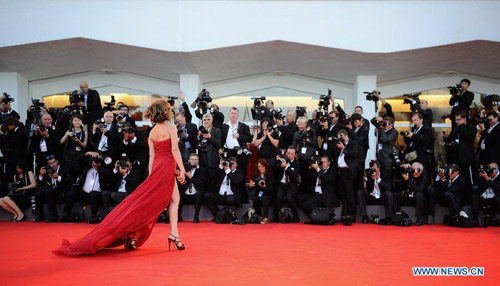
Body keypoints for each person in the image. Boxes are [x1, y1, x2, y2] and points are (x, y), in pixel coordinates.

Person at [54, 100, 186, 255]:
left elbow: (152, 156)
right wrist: (182, 170)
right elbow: (175, 150)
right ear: (165, 112)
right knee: (160, 202)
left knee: (172, 199)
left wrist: (151, 175)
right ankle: (163, 234)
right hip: (167, 165)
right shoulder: (171, 127)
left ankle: (172, 234)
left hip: (158, 167)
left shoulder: (152, 132)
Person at [273, 146, 300, 222]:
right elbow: (274, 170)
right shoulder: (282, 160)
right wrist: (277, 161)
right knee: (278, 197)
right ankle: (275, 217)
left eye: (292, 154)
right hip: (281, 184)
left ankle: (295, 216)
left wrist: (286, 167)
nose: (290, 155)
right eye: (288, 153)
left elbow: (295, 174)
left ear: (295, 155)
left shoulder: (297, 163)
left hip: (291, 185)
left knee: (289, 199)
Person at [178, 153, 207, 223]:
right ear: (188, 160)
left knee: (199, 195)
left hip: (196, 193)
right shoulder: (184, 169)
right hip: (186, 192)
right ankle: (179, 216)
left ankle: (196, 216)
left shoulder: (202, 170)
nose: (193, 161)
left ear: (198, 161)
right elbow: (180, 183)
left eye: (195, 159)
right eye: (192, 159)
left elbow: (201, 183)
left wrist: (190, 176)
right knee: (179, 195)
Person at [60, 115, 88, 183]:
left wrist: (78, 141)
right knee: (69, 176)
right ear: (72, 122)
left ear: (81, 121)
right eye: (75, 120)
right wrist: (67, 135)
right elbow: (61, 141)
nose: (77, 122)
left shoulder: (84, 131)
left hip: (79, 157)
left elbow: (84, 145)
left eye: (79, 120)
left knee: (79, 176)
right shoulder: (69, 131)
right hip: (70, 157)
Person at [249, 159, 274, 224]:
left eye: (262, 166)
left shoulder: (270, 175)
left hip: (269, 196)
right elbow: (251, 189)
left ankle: (266, 217)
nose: (260, 168)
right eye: (259, 166)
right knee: (254, 199)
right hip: (259, 196)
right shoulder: (256, 176)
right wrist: (250, 186)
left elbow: (271, 189)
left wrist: (264, 186)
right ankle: (259, 216)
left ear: (266, 167)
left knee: (265, 198)